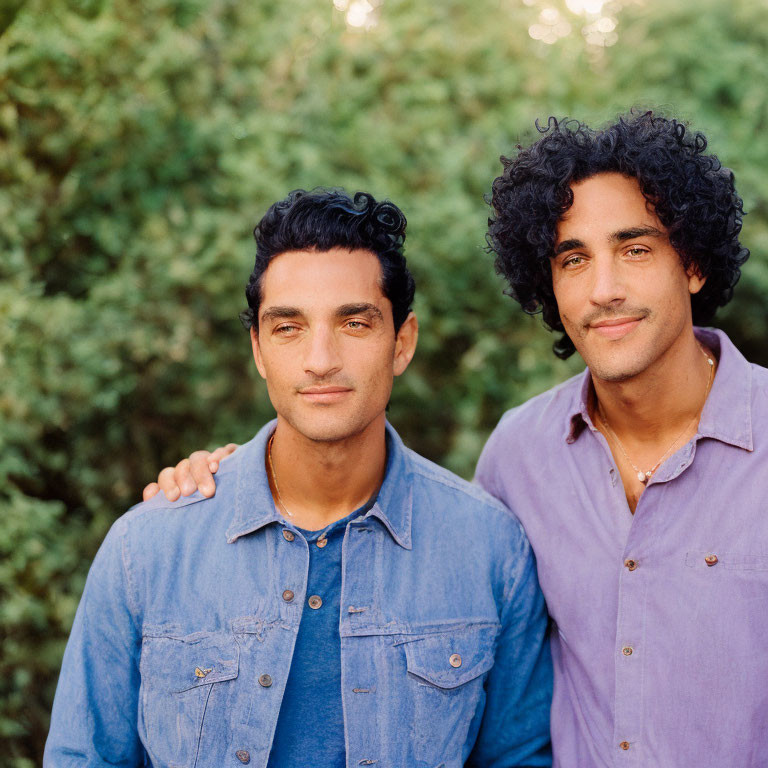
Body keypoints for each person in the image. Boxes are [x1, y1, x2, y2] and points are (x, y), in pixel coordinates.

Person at [157, 112, 768, 766]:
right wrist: (235, 478)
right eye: (573, 258)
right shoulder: (521, 455)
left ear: (695, 264)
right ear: (548, 283)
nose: (605, 289)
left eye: (636, 249)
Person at [45, 189, 552, 767]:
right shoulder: (148, 549)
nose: (320, 358)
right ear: (258, 350)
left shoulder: (489, 548)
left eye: (355, 323)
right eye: (288, 328)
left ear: (402, 343)